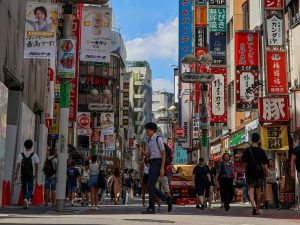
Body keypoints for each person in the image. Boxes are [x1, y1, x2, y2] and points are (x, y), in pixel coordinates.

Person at [138, 122, 172, 214]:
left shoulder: (158, 138)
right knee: (151, 186)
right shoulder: (149, 140)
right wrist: (141, 150)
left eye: (147, 129)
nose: (146, 131)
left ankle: (151, 207)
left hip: (158, 162)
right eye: (146, 129)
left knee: (150, 185)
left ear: (152, 130)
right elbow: (148, 154)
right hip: (153, 162)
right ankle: (167, 199)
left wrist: (162, 168)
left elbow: (163, 153)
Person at [242, 133, 269, 215]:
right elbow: (265, 164)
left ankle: (253, 205)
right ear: (259, 140)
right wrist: (267, 172)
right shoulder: (261, 151)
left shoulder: (247, 150)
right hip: (259, 173)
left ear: (251, 140)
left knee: (250, 190)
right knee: (258, 191)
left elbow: (244, 162)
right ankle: (257, 209)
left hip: (250, 172)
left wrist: (244, 169)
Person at [14, 139, 40, 209]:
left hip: (23, 174)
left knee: (24, 187)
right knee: (30, 188)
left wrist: (16, 174)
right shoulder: (34, 155)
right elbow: (37, 165)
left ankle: (24, 198)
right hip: (31, 174)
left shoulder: (21, 155)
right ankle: (27, 199)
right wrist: (36, 172)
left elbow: (18, 165)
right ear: (31, 146)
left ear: (25, 146)